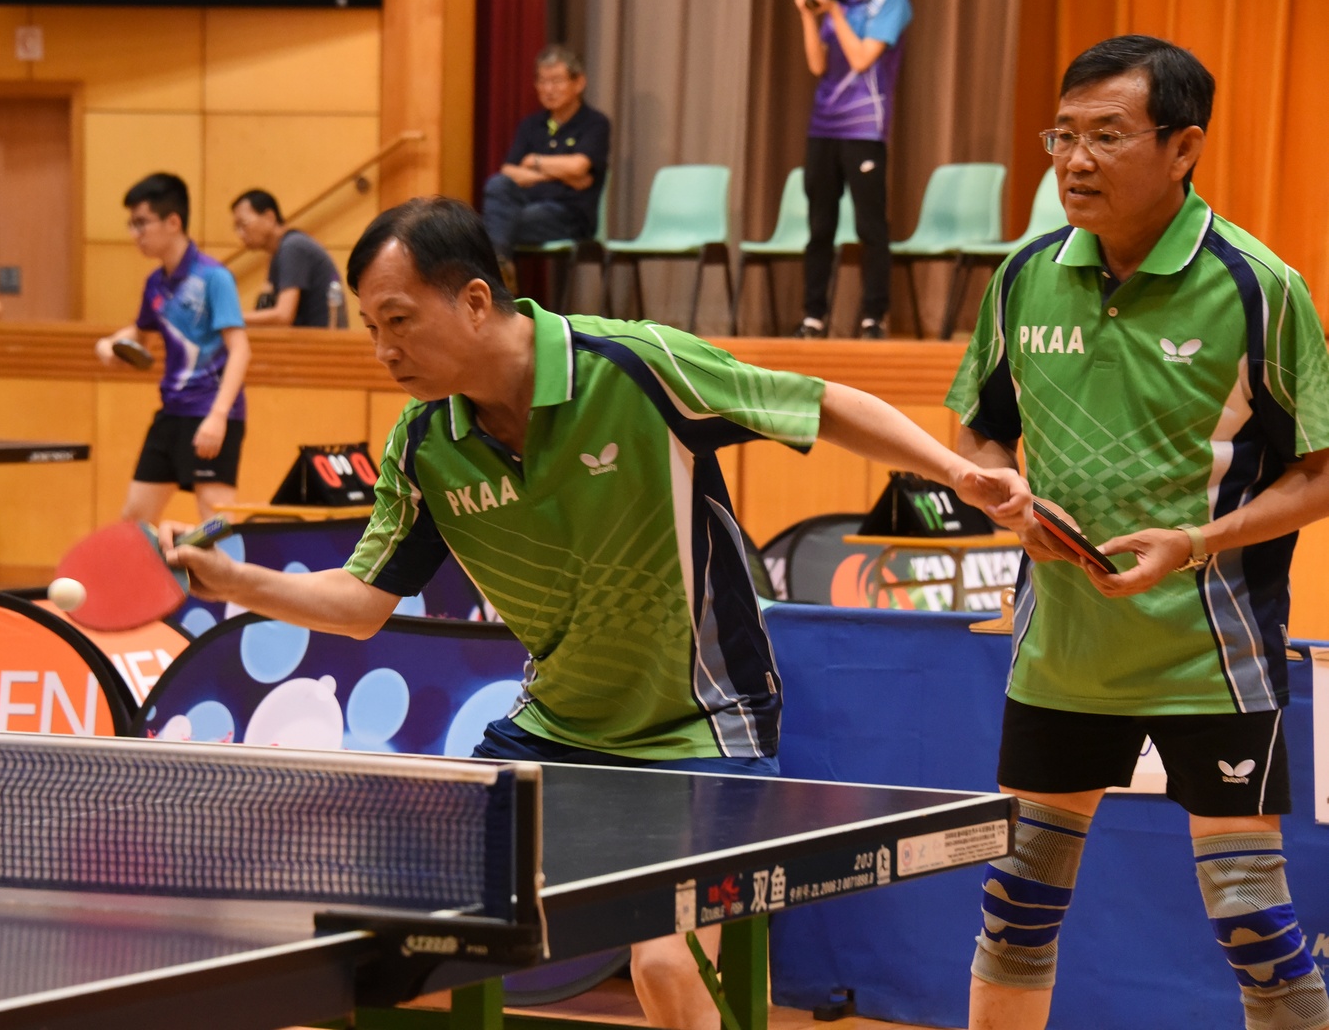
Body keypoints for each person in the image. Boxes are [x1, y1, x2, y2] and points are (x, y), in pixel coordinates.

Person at [165, 196, 1032, 1030]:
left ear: (475, 301)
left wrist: (956, 473)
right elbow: (361, 605)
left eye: (399, 320)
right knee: (384, 934)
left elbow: (818, 403)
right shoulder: (425, 443)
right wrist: (233, 581)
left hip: (702, 725)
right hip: (556, 729)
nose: (384, 350)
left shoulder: (631, 366)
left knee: (666, 966)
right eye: (369, 328)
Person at [947, 36, 1329, 1030]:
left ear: (1182, 146)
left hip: (1211, 655)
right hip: (1060, 653)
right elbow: (978, 428)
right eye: (1061, 136)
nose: (1075, 161)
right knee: (1015, 914)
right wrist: (1004, 497)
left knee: (1255, 926)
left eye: (1106, 136)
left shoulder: (1258, 287)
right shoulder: (1023, 275)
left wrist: (1196, 543)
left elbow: (1320, 471)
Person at [96, 173, 250, 524]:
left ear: (173, 222)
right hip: (172, 413)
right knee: (135, 519)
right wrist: (109, 343)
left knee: (217, 523)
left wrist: (218, 417)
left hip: (210, 413)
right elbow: (141, 334)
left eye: (141, 223)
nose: (135, 234)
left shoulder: (214, 277)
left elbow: (240, 350)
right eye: (132, 224)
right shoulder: (155, 283)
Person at [791, 0, 912, 340]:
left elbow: (861, 59)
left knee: (870, 226)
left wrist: (836, 14)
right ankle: (813, 316)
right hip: (823, 124)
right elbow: (817, 65)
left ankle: (873, 317)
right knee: (819, 225)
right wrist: (808, 15)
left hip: (864, 127)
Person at [481, 44, 611, 285]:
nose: (548, 89)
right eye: (542, 81)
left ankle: (497, 274)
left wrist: (534, 162)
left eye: (557, 81)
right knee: (497, 185)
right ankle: (501, 267)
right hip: (527, 206)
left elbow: (578, 168)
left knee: (493, 226)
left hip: (570, 216)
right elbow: (508, 172)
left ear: (579, 83)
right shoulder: (531, 125)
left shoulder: (595, 123)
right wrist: (560, 174)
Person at [230, 189, 346, 328]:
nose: (240, 234)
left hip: (319, 339)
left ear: (269, 217)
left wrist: (228, 317)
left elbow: (283, 316)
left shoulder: (292, 247)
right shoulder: (279, 252)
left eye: (243, 224)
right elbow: (266, 307)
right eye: (236, 228)